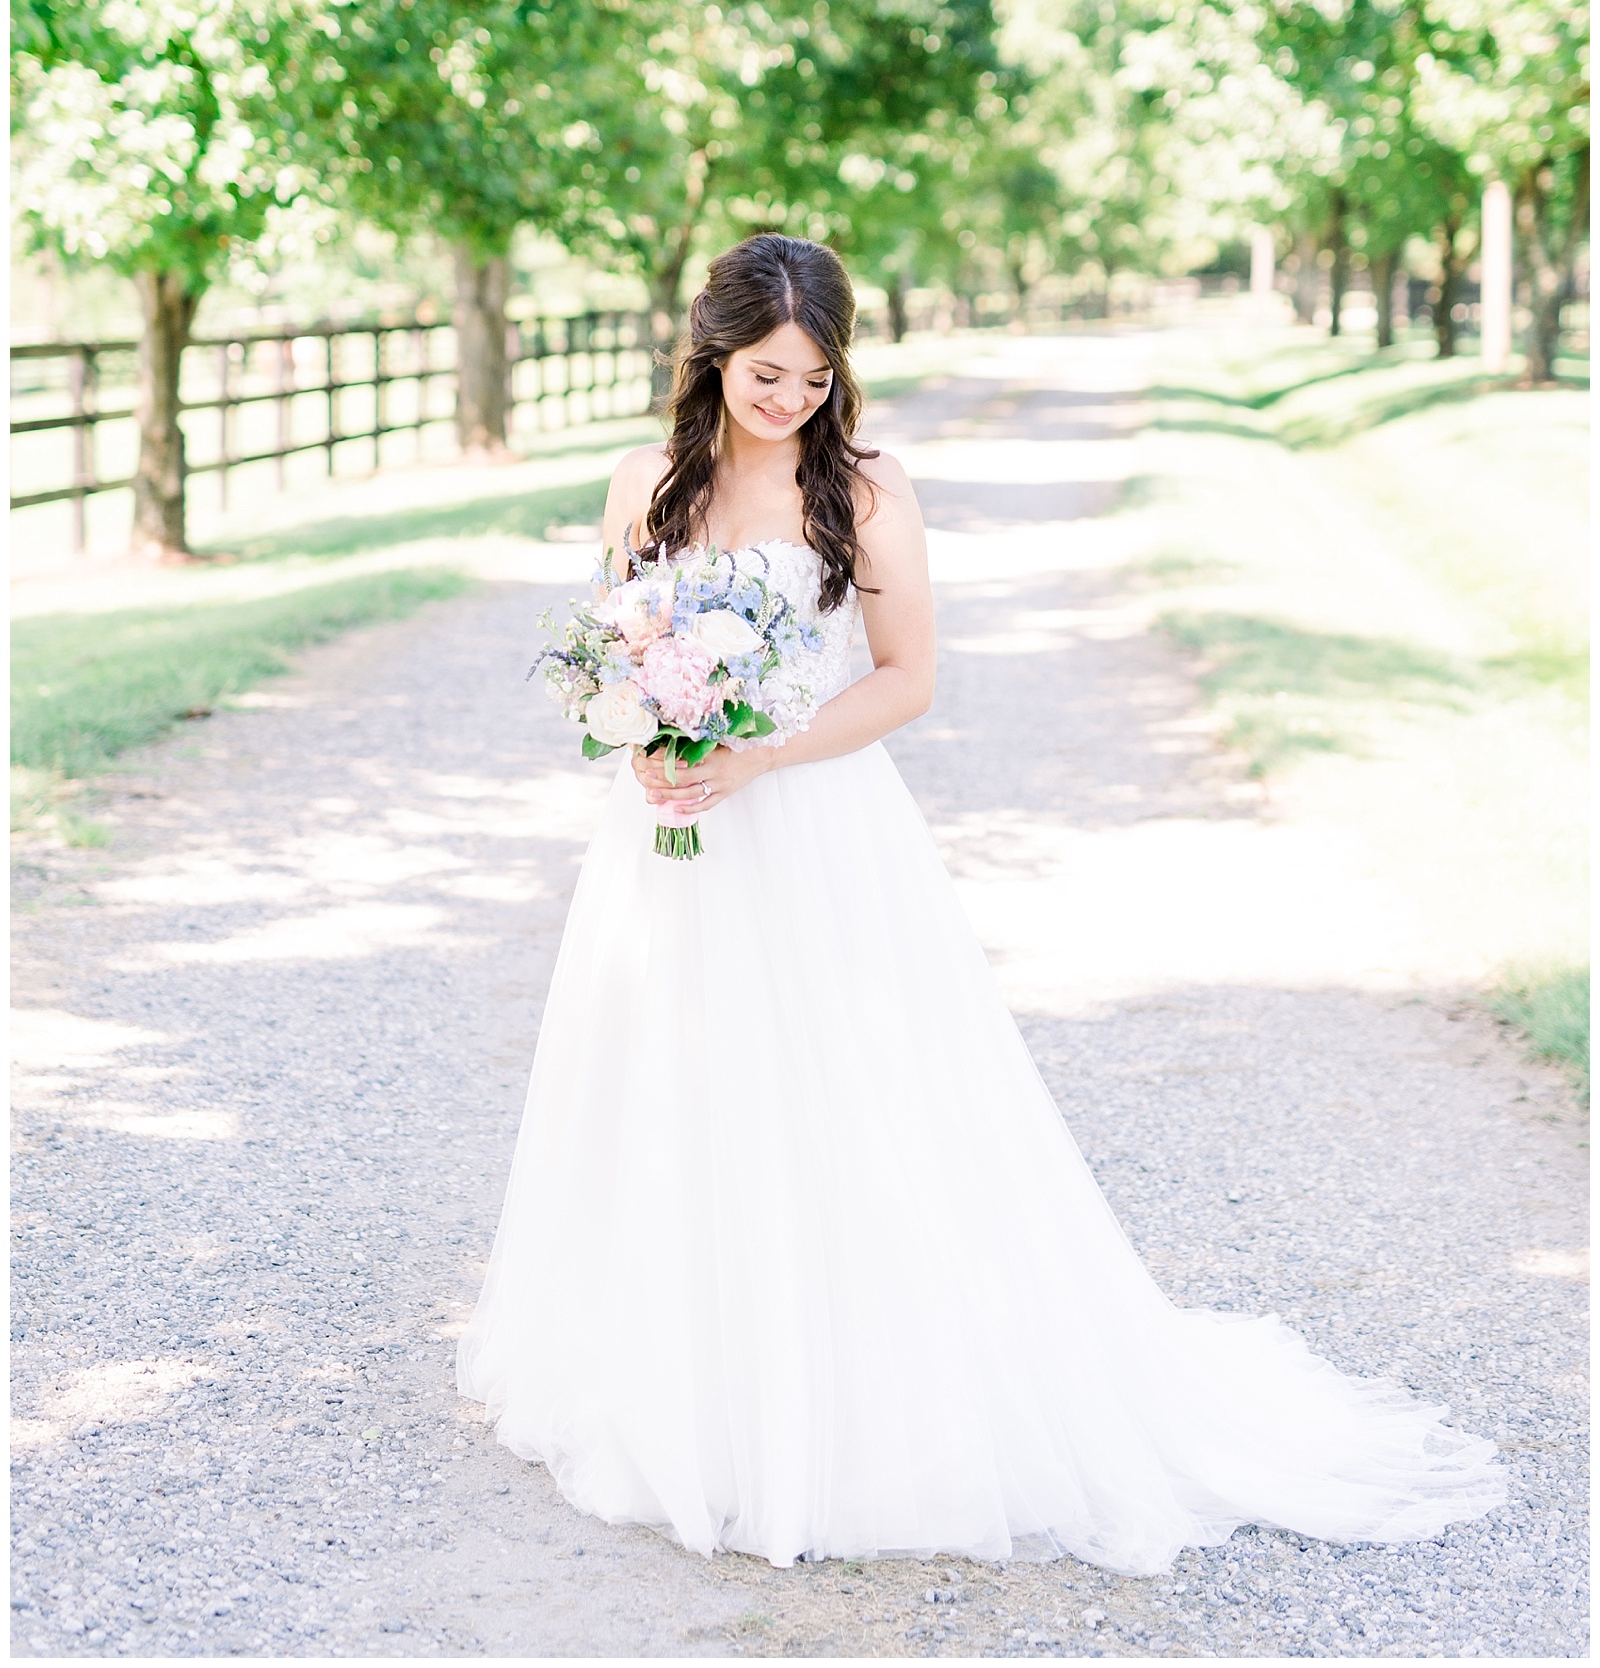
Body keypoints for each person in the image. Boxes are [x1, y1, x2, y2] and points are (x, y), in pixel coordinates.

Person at [457, 233, 1503, 1573]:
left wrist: (762, 751)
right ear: (711, 353)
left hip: (816, 826)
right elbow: (619, 647)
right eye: (765, 372)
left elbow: (906, 678)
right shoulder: (645, 483)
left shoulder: (869, 491)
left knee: (844, 1096)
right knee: (675, 1084)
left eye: (815, 375)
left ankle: (848, 1391)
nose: (789, 398)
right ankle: (683, 1371)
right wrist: (647, 741)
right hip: (668, 837)